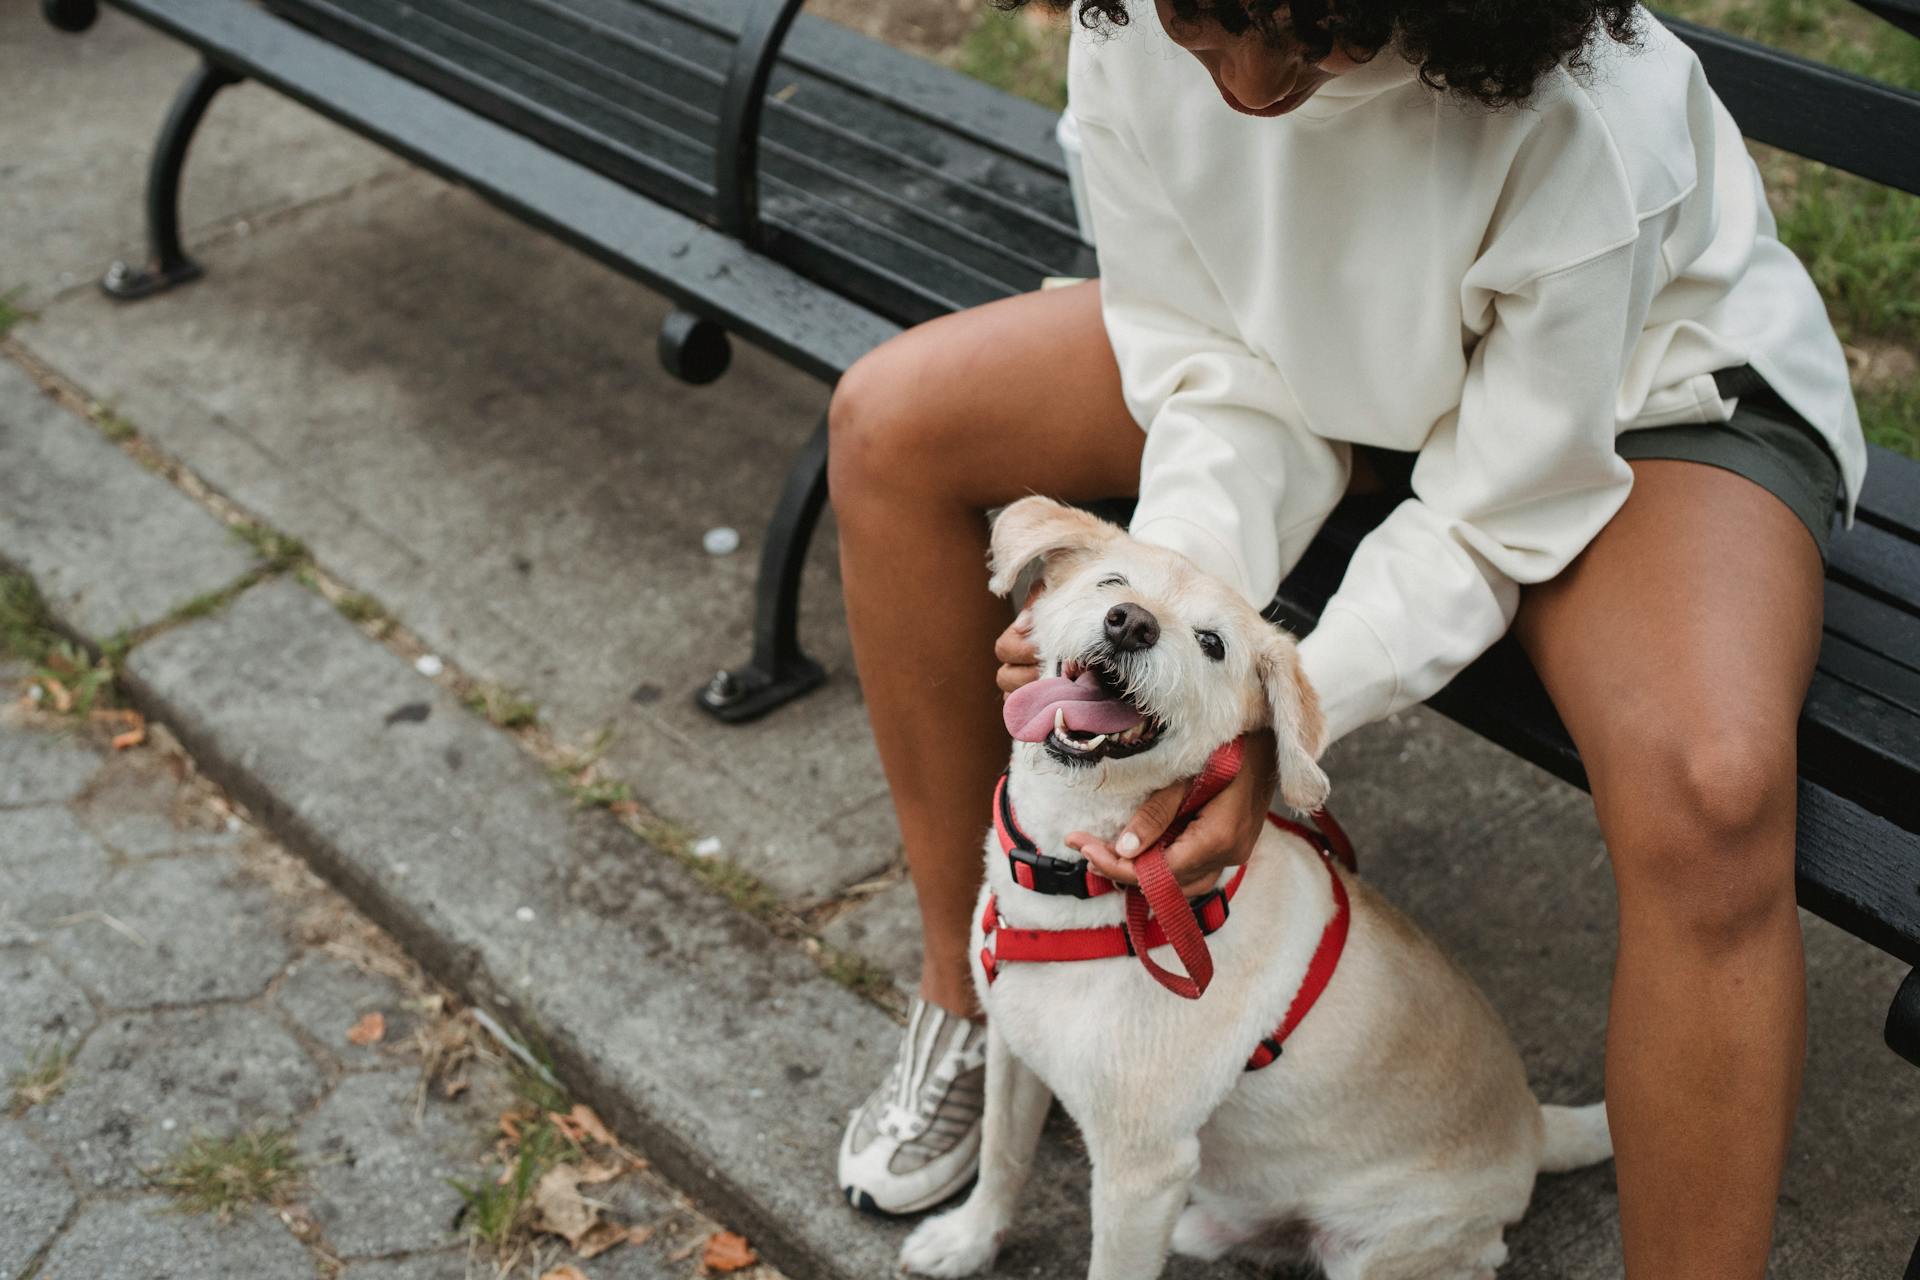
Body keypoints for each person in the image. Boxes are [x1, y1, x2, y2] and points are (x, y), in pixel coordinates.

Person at [826, 0, 1865, 1274]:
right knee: (890, 422)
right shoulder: (1135, 24)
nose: (1253, 89)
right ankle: (971, 991)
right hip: (1312, 363)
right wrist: (1160, 604)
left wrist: (1275, 712)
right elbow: (1212, 364)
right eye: (1206, 33)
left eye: (1315, 35)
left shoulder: (1594, 112)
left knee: (1714, 788)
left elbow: (1497, 510)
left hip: (1634, 398)